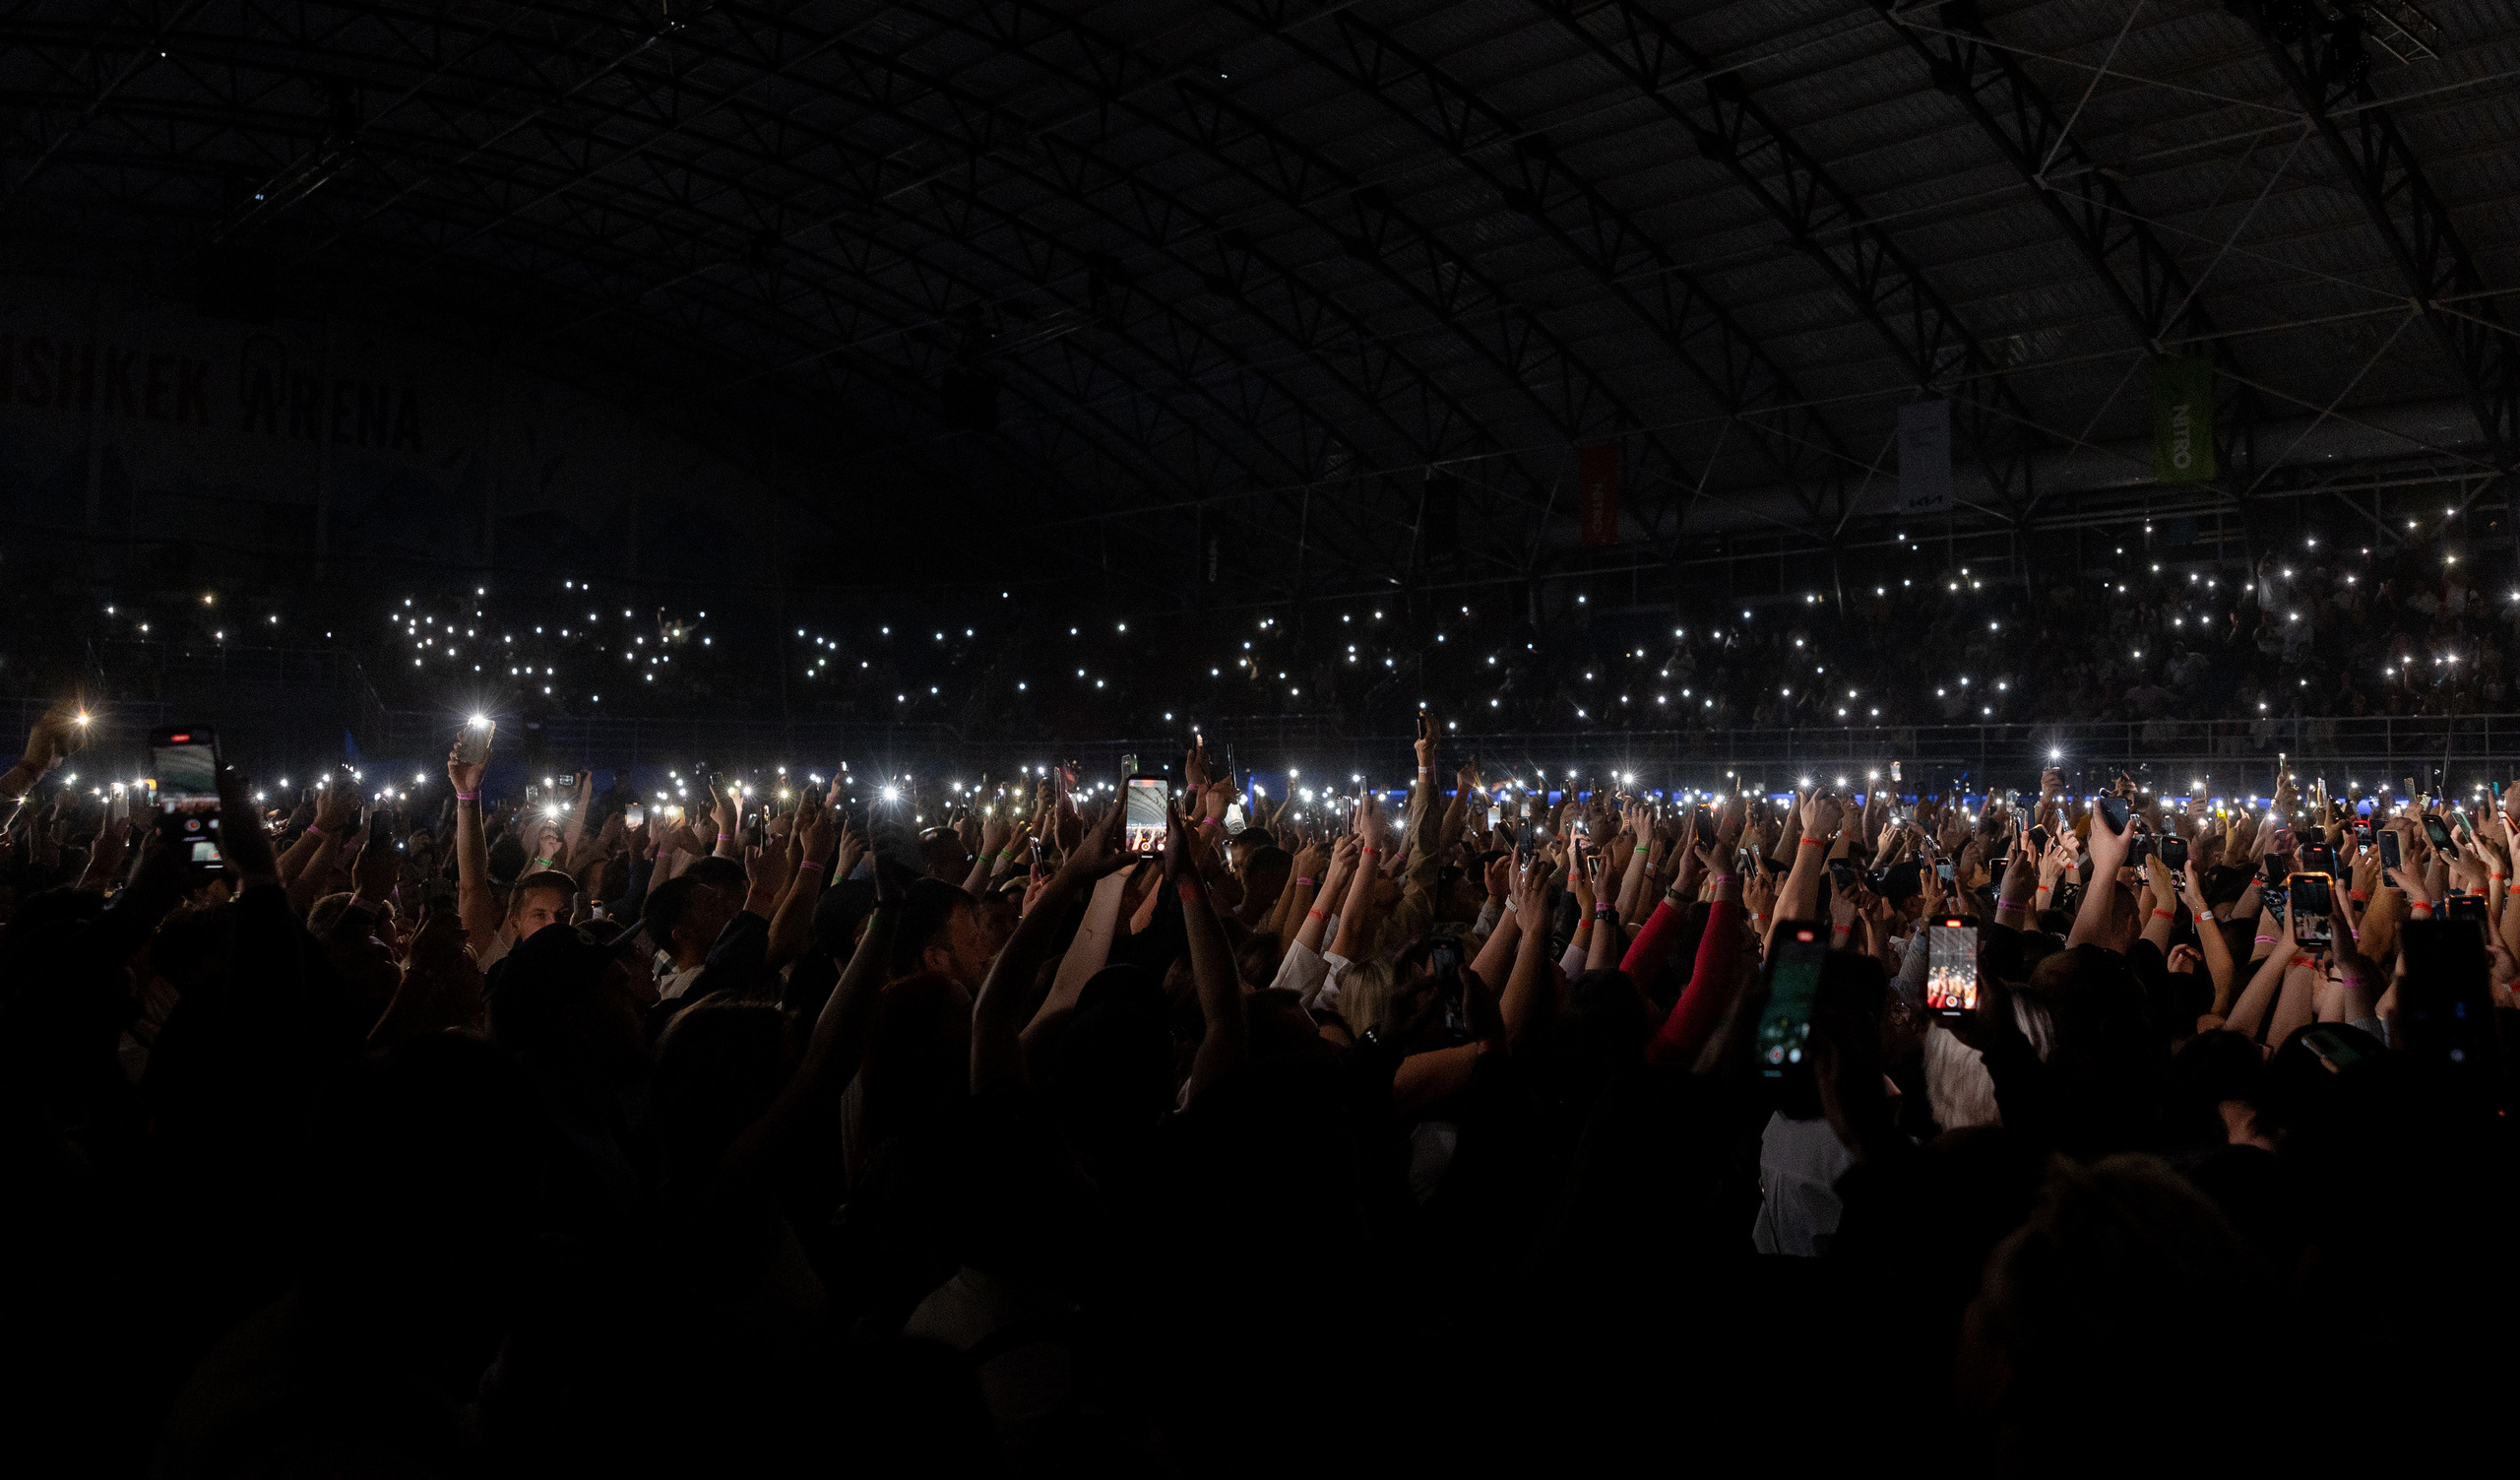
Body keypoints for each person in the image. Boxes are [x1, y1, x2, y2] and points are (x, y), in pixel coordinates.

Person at [1, 699, 2512, 1478]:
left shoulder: (1737, 1186)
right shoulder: (1956, 1181)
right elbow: (1907, 1048)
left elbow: (1789, 1044)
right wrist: (1897, 936)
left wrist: (1831, 956)